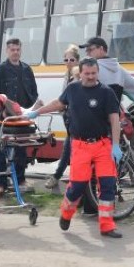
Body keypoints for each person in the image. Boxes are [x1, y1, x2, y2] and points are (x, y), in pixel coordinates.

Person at [24, 57, 123, 238]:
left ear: (98, 73)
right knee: (77, 185)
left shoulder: (106, 93)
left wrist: (115, 145)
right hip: (80, 145)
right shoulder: (73, 89)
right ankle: (66, 213)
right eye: (87, 74)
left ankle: (107, 226)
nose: (91, 77)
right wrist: (37, 112)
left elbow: (115, 120)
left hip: (102, 145)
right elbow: (58, 104)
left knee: (108, 185)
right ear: (80, 72)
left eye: (94, 73)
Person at [0, 37, 40, 197]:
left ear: (21, 50)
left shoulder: (26, 70)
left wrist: (30, 109)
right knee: (2, 150)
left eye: (18, 49)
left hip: (23, 117)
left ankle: (20, 179)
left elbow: (33, 91)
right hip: (5, 118)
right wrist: (4, 111)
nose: (15, 52)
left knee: (21, 149)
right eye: (12, 49)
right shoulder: (0, 70)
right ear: (7, 51)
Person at [44, 44, 80, 190]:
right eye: (66, 60)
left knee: (68, 148)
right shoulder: (68, 76)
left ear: (77, 60)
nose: (68, 63)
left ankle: (58, 177)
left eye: (71, 60)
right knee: (68, 148)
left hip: (76, 119)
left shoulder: (78, 77)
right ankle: (62, 177)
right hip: (69, 117)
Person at [81, 36, 134, 109]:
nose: (87, 53)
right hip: (114, 116)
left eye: (90, 50)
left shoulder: (89, 69)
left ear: (101, 49)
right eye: (86, 51)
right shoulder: (120, 70)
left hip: (92, 114)